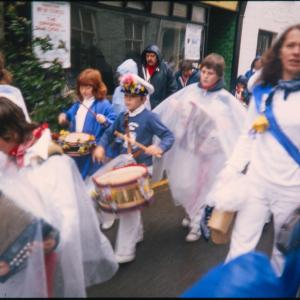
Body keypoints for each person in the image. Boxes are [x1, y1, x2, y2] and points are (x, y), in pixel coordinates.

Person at [0, 96, 118, 297]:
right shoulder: (9, 155)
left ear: (10, 134)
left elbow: (68, 216)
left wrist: (50, 242)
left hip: (41, 254)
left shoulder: (51, 161)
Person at [209, 23, 300, 276]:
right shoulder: (263, 90)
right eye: (291, 45)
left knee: (284, 256)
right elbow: (248, 135)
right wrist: (231, 170)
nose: (296, 51)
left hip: (294, 192)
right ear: (280, 51)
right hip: (257, 183)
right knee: (239, 249)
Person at [152, 53, 246, 242]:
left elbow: (230, 125)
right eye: (203, 71)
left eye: (210, 73)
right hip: (189, 149)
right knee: (186, 183)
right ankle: (190, 213)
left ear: (218, 75)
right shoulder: (191, 91)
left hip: (209, 155)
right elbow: (180, 115)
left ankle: (196, 223)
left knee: (202, 187)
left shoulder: (223, 99)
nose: (205, 76)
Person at [93, 73, 174, 264]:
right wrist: (101, 146)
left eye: (131, 97)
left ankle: (125, 251)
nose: (127, 100)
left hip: (142, 168)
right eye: (125, 96)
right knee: (125, 206)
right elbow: (109, 133)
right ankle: (136, 234)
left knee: (128, 208)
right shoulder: (123, 117)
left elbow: (169, 136)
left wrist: (159, 147)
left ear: (143, 98)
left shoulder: (150, 117)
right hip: (124, 165)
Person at [58, 68, 116, 179]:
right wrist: (64, 117)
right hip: (78, 151)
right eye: (81, 87)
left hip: (94, 152)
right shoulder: (79, 104)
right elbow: (69, 115)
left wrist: (105, 121)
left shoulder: (104, 105)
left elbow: (115, 126)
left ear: (96, 88)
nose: (84, 91)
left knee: (93, 182)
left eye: (88, 88)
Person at [138, 44, 177, 109]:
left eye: (152, 56)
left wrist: (167, 105)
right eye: (147, 56)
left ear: (157, 56)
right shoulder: (141, 69)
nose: (149, 58)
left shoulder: (166, 69)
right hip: (143, 107)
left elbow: (173, 89)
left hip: (160, 107)